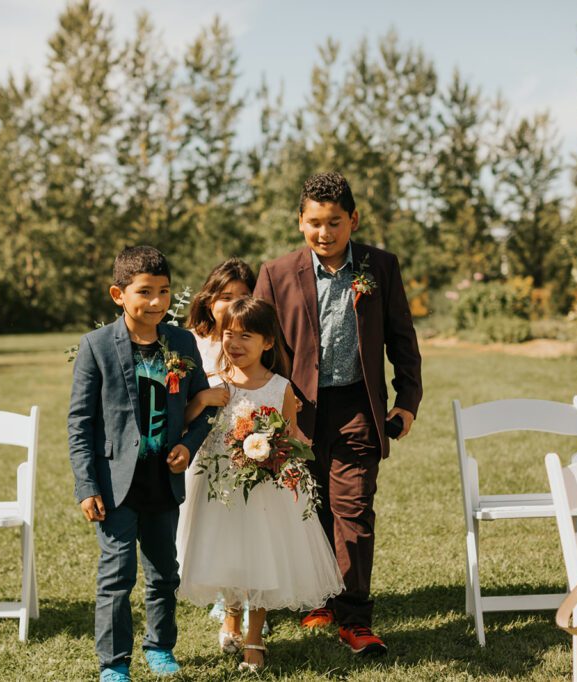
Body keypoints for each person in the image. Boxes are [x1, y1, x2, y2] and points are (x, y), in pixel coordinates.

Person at [253, 171, 423, 655]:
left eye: (334, 223)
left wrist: (406, 401)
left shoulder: (380, 267)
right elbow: (262, 349)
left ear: (353, 219)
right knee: (307, 508)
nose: (324, 234)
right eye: (314, 223)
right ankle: (316, 599)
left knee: (352, 511)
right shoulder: (277, 273)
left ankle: (354, 618)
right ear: (300, 221)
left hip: (356, 406)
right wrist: (262, 411)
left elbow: (402, 339)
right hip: (296, 409)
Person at [68, 246, 217, 682]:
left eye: (164, 291)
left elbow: (204, 405)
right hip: (116, 484)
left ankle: (160, 647)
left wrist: (188, 446)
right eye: (145, 292)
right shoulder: (96, 347)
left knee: (163, 574)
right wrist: (86, 485)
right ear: (119, 293)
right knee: (116, 576)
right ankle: (113, 663)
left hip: (163, 479)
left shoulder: (181, 342)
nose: (156, 302)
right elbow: (80, 422)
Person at [177, 297, 343, 672]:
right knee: (229, 553)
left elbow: (290, 435)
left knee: (263, 556)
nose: (233, 344)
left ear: (268, 342)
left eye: (245, 336)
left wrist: (290, 449)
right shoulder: (215, 384)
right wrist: (202, 399)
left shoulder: (280, 387)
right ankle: (231, 616)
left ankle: (255, 635)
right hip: (219, 487)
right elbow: (187, 424)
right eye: (228, 335)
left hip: (266, 488)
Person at [179, 258, 259, 636]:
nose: (232, 304)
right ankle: (223, 596)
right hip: (203, 447)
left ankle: (244, 602)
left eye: (243, 297)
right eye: (225, 297)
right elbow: (179, 405)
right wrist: (204, 399)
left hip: (245, 445)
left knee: (245, 526)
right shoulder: (192, 342)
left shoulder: (252, 339)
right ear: (209, 300)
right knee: (209, 525)